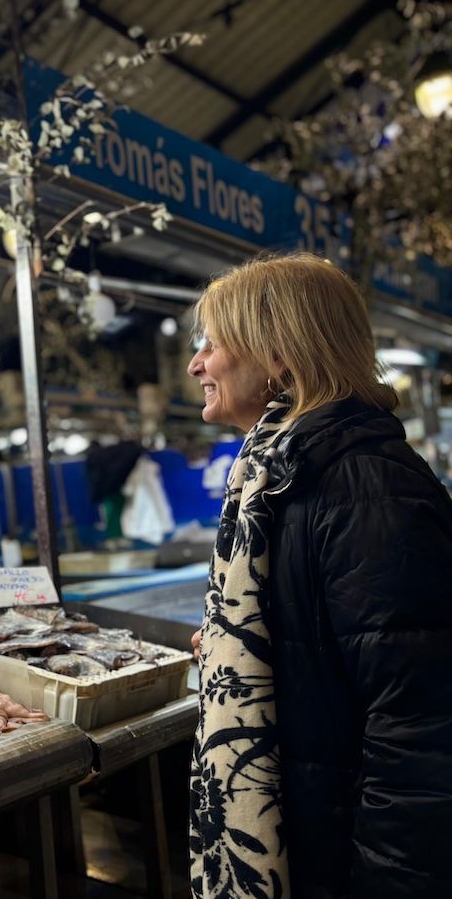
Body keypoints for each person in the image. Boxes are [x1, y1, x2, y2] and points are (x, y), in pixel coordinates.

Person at [185, 252, 452, 898]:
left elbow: (421, 732)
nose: (197, 364)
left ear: (280, 356)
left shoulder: (368, 487)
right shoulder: (281, 479)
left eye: (212, 343)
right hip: (308, 842)